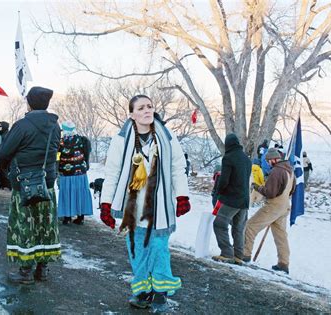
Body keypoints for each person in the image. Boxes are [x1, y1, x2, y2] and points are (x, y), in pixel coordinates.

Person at [100, 95, 191, 312]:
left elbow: (178, 167)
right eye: (141, 108)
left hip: (159, 206)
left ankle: (160, 294)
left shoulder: (166, 137)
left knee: (159, 248)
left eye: (150, 106)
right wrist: (106, 203)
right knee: (137, 249)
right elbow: (112, 173)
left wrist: (182, 196)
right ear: (131, 114)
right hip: (133, 206)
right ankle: (142, 292)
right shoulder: (121, 140)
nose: (147, 110)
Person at [0, 86, 61, 284]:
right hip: (47, 182)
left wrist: (10, 172)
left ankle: (25, 271)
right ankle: (42, 269)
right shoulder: (55, 126)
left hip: (24, 183)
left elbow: (4, 152)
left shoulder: (22, 125)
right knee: (45, 225)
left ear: (30, 102)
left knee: (25, 224)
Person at [243, 148, 295, 274]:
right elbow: (292, 190)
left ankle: (244, 255)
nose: (268, 163)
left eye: (268, 160)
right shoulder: (290, 171)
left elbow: (270, 193)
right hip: (285, 206)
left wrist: (257, 187)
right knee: (281, 236)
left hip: (273, 206)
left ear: (274, 159)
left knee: (250, 226)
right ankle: (283, 263)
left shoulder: (276, 171)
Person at [212, 133, 252, 265]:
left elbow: (224, 180)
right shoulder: (246, 159)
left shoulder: (228, 158)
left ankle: (227, 253)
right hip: (245, 200)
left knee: (219, 224)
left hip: (232, 199)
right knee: (238, 228)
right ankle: (238, 255)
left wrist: (219, 193)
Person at [57, 121, 93, 225]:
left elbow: (57, 156)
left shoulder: (60, 142)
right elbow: (87, 154)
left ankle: (67, 217)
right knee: (80, 192)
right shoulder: (82, 140)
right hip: (80, 172)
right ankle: (80, 217)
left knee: (67, 193)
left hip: (66, 172)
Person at [0, 121, 11, 189]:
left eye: (1, 126)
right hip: (0, 154)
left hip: (4, 155)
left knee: (4, 170)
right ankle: (2, 184)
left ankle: (7, 185)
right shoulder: (1, 134)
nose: (0, 128)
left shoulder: (7, 134)